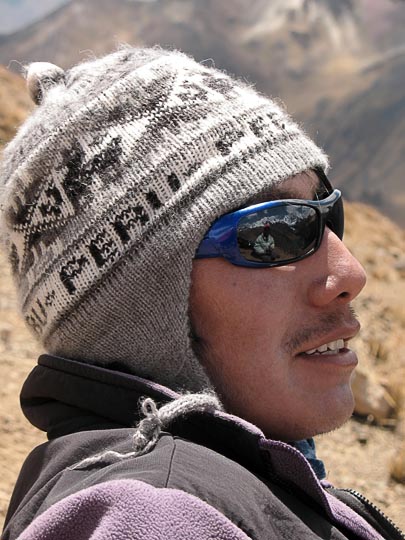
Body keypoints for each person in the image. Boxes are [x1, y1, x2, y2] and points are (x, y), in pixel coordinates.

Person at [0, 46, 403, 540]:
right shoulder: (156, 514)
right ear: (142, 310)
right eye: (275, 231)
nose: (351, 273)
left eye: (327, 216)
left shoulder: (240, 473)